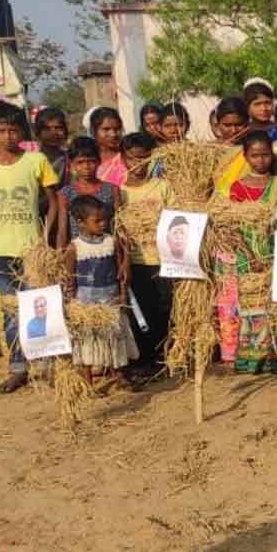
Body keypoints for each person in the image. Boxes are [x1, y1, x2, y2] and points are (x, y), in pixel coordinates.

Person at [0, 101, 60, 393]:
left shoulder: (37, 161)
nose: (8, 136)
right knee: (11, 309)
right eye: (1, 130)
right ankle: (18, 366)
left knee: (39, 305)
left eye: (13, 129)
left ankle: (45, 363)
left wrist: (48, 238)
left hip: (32, 248)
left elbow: (55, 201)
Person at [216, 131, 277, 374]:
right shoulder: (238, 187)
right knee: (252, 305)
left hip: (275, 248)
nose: (261, 161)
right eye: (255, 156)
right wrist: (248, 254)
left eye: (265, 155)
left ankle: (275, 357)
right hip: (247, 250)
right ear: (246, 157)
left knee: (275, 303)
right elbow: (234, 224)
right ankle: (253, 359)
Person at [63, 194, 138, 384]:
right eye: (97, 220)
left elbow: (121, 271)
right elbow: (69, 279)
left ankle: (120, 374)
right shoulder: (74, 248)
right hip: (86, 305)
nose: (103, 223)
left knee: (115, 335)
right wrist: (72, 304)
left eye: (105, 219)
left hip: (110, 300)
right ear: (80, 222)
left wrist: (122, 295)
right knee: (88, 339)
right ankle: (87, 380)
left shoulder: (111, 242)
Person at [117, 131, 172, 373]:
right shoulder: (119, 192)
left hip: (163, 260)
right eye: (132, 159)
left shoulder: (163, 187)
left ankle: (164, 356)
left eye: (144, 158)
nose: (138, 165)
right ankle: (146, 359)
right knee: (141, 311)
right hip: (136, 261)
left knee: (165, 307)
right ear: (122, 159)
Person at [54, 137, 118, 247]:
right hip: (79, 253)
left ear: (99, 161)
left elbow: (119, 226)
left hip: (107, 250)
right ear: (72, 164)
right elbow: (62, 231)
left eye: (91, 161)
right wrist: (60, 255)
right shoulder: (66, 193)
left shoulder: (112, 189)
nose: (86, 167)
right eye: (80, 162)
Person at [89, 107, 127, 187]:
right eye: (106, 129)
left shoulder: (128, 157)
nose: (113, 134)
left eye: (117, 129)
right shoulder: (87, 160)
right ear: (93, 131)